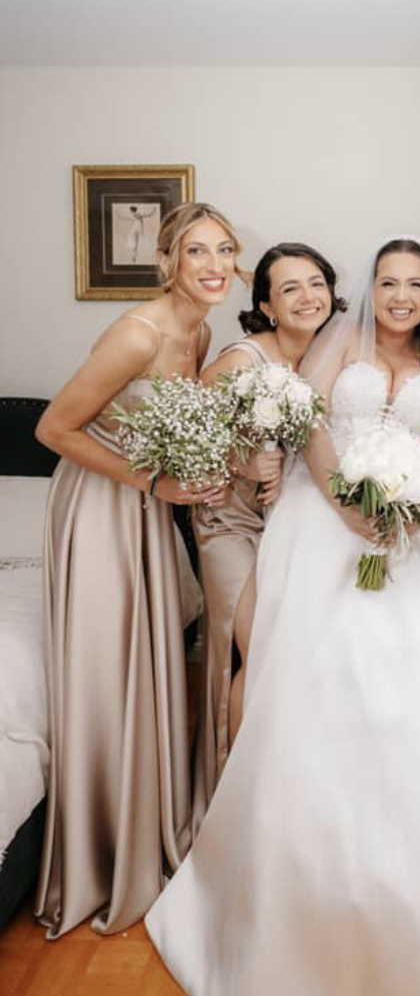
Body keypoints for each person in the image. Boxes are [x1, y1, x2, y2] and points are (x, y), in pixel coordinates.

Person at [145, 238, 420, 996]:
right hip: (323, 521)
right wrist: (345, 503)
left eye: (416, 283)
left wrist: (416, 492)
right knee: (316, 689)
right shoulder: (337, 343)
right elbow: (313, 428)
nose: (401, 295)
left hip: (417, 531)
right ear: (371, 287)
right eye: (389, 281)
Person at [34, 202, 243, 938]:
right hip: (101, 505)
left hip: (147, 502)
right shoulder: (138, 331)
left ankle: (147, 822)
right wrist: (158, 485)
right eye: (198, 252)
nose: (216, 266)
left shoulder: (204, 329)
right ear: (167, 262)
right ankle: (103, 851)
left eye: (226, 250)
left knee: (148, 660)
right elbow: (53, 428)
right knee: (109, 663)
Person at [192, 242, 345, 827]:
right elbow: (181, 439)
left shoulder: (330, 355)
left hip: (291, 522)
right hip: (230, 523)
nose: (308, 297)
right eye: (290, 289)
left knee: (295, 655)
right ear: (266, 307)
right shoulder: (242, 360)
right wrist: (239, 459)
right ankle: (232, 810)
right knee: (258, 655)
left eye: (316, 283)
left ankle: (284, 799)